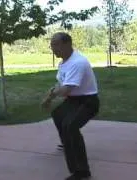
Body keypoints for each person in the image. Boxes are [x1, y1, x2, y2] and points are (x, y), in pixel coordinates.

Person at [41, 32, 100, 180]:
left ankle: (81, 171)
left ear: (67, 44)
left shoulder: (77, 62)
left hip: (88, 102)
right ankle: (67, 142)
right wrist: (48, 98)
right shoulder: (63, 63)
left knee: (70, 125)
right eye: (51, 45)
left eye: (56, 45)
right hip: (73, 101)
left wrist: (52, 95)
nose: (53, 49)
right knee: (58, 115)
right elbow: (60, 85)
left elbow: (66, 89)